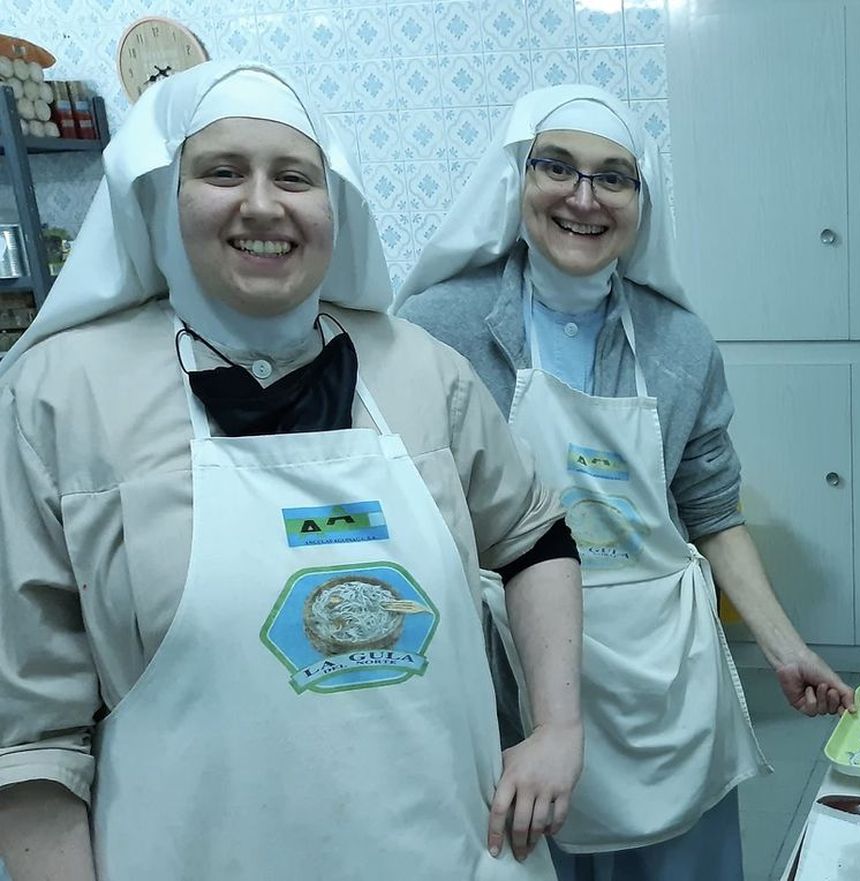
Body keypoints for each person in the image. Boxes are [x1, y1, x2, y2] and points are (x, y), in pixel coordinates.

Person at [0, 61, 582, 881]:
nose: (264, 204)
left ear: (333, 205)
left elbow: (535, 536)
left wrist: (557, 726)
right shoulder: (60, 399)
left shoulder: (418, 369)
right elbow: (27, 742)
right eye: (223, 172)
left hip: (449, 852)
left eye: (296, 177)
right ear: (162, 196)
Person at [393, 85, 855, 880]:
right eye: (558, 168)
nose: (584, 197)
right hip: (515, 671)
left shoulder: (678, 341)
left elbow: (712, 510)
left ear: (642, 199)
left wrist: (786, 647)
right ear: (517, 179)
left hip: (660, 679)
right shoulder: (443, 329)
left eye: (614, 177)